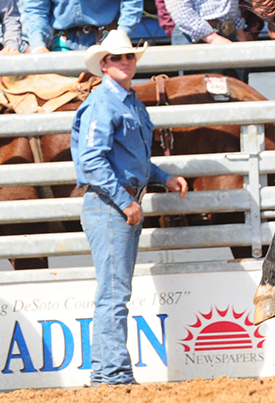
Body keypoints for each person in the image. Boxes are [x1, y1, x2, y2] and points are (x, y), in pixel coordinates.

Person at [71, 29, 188, 385]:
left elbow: (130, 160)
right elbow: (92, 161)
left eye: (128, 57)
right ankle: (115, 376)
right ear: (104, 65)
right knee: (114, 292)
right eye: (117, 58)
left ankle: (105, 374)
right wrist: (124, 201)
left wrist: (162, 177)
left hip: (117, 202)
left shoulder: (126, 101)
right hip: (111, 204)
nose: (124, 62)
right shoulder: (106, 104)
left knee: (113, 290)